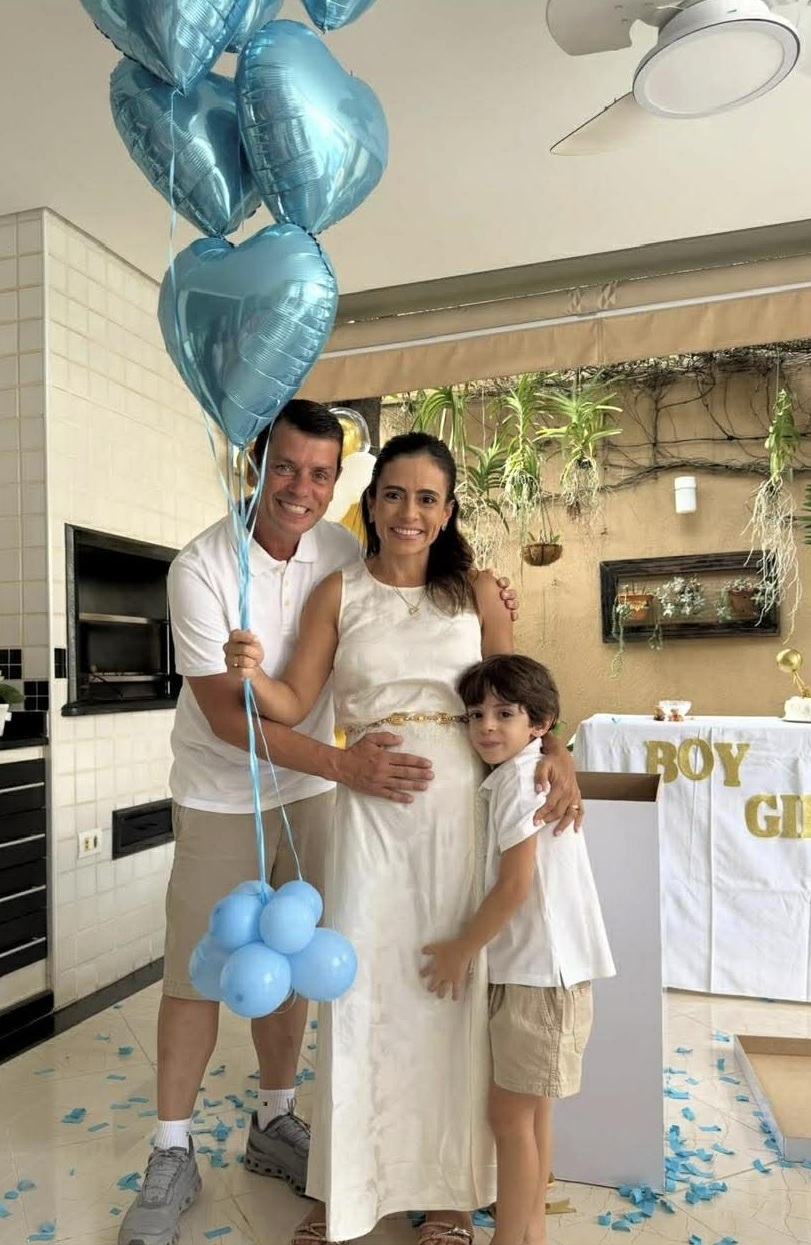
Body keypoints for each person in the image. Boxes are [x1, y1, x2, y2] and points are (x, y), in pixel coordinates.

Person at [117, 403, 524, 1245]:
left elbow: (512, 689)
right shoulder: (204, 568)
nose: (301, 487)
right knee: (249, 975)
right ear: (255, 468)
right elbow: (245, 715)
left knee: (356, 975)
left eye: (319, 473)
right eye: (286, 468)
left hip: (396, 806)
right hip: (248, 791)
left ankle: (353, 1150)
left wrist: (549, 753)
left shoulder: (358, 554)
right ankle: (199, 1151)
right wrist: (262, 682)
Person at [224, 432, 582, 1245]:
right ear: (372, 502)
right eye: (393, 494)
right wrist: (249, 671)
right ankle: (345, 1187)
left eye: (426, 498)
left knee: (449, 1001)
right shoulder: (337, 592)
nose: (408, 512)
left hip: (460, 815)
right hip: (367, 811)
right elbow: (293, 700)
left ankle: (448, 1194)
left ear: (447, 511)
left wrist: (557, 750)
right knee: (361, 996)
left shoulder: (477, 592)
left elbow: (517, 697)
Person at [421, 655, 616, 1245]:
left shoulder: (517, 780)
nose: (486, 726)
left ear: (540, 723)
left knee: (509, 1119)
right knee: (531, 1116)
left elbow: (515, 886)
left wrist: (461, 950)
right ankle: (530, 1235)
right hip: (545, 972)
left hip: (540, 976)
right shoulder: (526, 770)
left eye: (504, 714)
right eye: (475, 714)